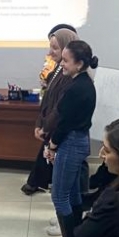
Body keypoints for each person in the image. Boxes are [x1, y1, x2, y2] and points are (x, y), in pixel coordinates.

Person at [45, 40, 98, 237]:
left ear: (80, 64)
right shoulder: (83, 83)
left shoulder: (77, 88)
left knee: (59, 196)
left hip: (71, 142)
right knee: (74, 195)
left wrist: (52, 145)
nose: (62, 64)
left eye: (66, 61)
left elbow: (64, 122)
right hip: (78, 141)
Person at [22, 25, 79, 196]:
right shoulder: (57, 69)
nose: (50, 52)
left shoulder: (71, 76)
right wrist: (40, 123)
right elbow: (48, 99)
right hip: (50, 125)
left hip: (59, 128)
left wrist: (45, 127)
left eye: (55, 48)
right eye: (50, 47)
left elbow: (60, 107)